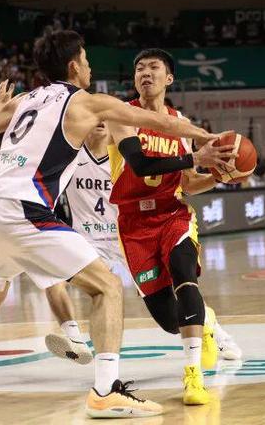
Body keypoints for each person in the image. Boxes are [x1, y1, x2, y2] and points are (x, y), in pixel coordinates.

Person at [0, 30, 231, 419]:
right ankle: (106, 391)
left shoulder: (27, 98)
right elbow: (153, 119)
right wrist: (206, 137)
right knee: (107, 287)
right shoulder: (87, 103)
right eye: (87, 60)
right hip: (24, 208)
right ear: (74, 65)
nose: (90, 67)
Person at [44, 120, 242, 369]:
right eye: (96, 116)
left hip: (125, 235)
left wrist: (215, 175)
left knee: (176, 307)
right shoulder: (70, 157)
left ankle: (214, 329)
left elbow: (178, 181)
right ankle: (74, 339)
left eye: (106, 117)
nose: (101, 121)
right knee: (50, 274)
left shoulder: (125, 155)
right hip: (89, 241)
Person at [104, 49, 239, 405]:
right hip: (134, 223)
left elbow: (189, 182)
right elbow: (138, 164)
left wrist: (221, 176)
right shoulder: (121, 115)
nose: (145, 73)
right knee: (169, 320)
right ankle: (206, 322)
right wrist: (195, 157)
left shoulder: (181, 123)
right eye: (139, 68)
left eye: (153, 67)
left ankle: (193, 376)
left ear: (169, 79)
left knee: (184, 272)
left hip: (172, 214)